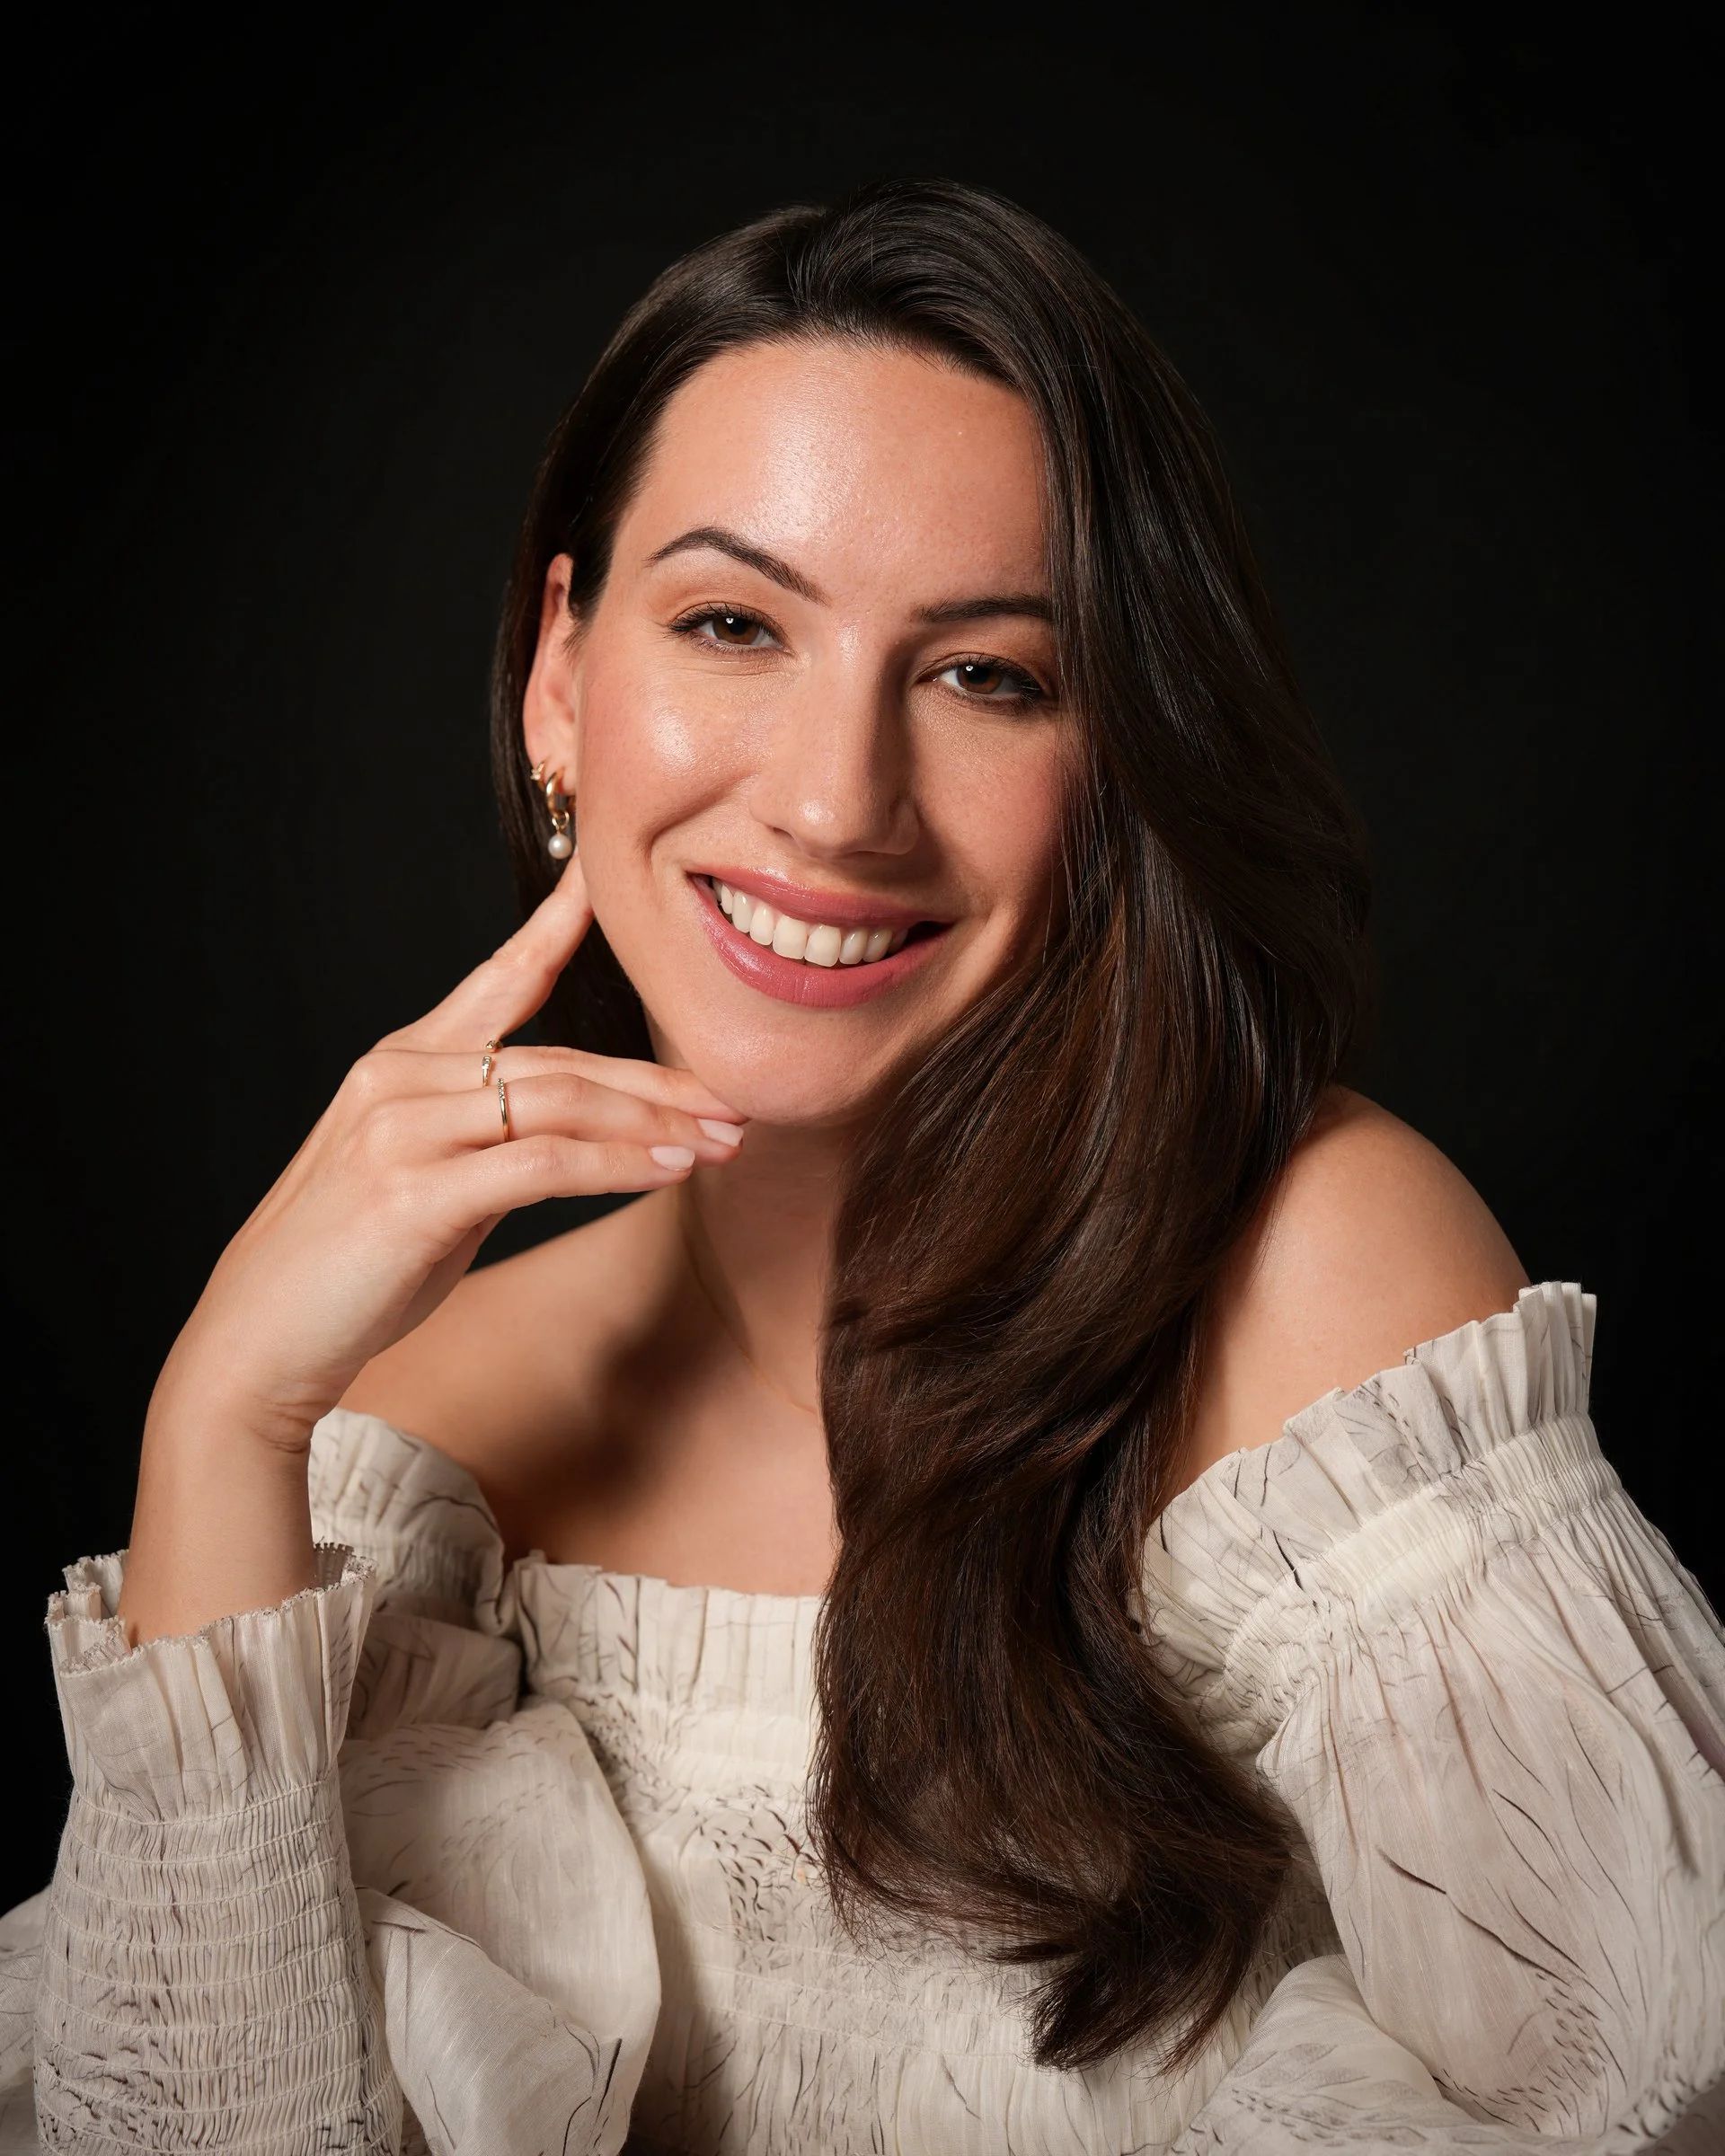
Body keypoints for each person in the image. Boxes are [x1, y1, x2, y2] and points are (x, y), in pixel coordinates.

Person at [1, 176, 1720, 2156]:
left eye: (990, 673)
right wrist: (221, 1420)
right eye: (734, 625)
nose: (837, 802)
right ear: (563, 676)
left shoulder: (1319, 1292)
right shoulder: (412, 1448)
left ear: (1125, 757)